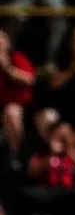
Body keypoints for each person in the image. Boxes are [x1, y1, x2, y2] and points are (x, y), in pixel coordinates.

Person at [0, 27, 35, 158]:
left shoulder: (18, 58)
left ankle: (16, 156)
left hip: (19, 105)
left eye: (2, 40)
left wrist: (7, 68)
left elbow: (29, 79)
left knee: (11, 112)